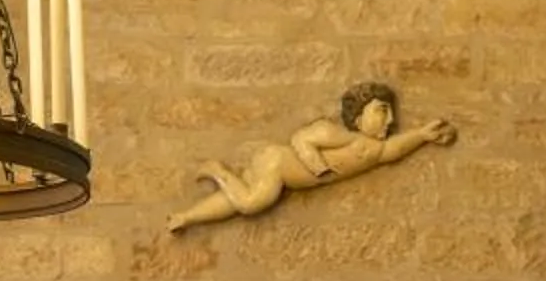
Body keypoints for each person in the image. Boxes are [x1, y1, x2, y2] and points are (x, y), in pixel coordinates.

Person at [167, 80, 456, 233]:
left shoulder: (372, 150)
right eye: (381, 111)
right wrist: (316, 167)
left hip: (282, 170)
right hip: (278, 164)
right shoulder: (338, 134)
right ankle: (217, 171)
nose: (390, 119)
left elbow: (394, 150)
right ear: (358, 117)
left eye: (390, 112)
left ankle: (186, 217)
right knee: (251, 204)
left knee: (239, 201)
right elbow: (301, 138)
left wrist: (422, 135)